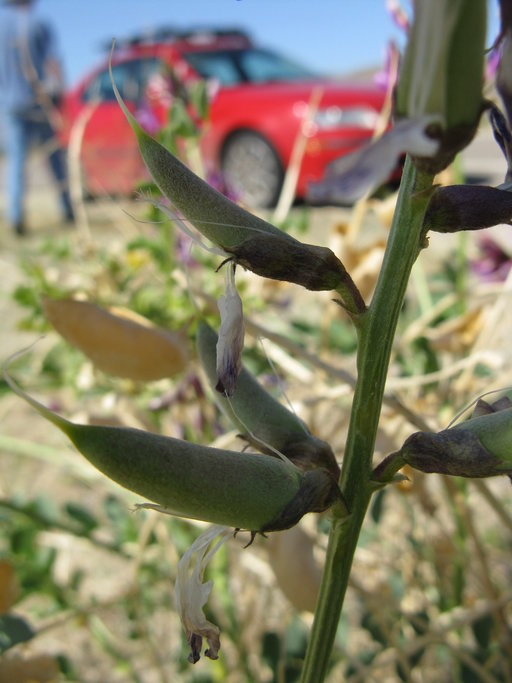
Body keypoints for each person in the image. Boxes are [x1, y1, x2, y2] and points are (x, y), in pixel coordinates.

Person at [0, 0, 73, 236]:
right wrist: (61, 94)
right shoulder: (39, 21)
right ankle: (68, 208)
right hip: (38, 100)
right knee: (54, 157)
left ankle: (16, 215)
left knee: (17, 161)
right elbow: (53, 62)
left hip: (11, 102)